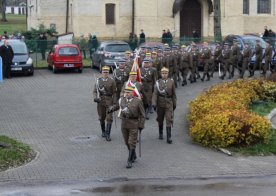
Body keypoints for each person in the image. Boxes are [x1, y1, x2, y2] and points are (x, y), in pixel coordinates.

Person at [113, 85, 145, 169]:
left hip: (134, 123)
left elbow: (142, 115)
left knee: (132, 142)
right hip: (124, 123)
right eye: (125, 92)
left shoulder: (138, 101)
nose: (126, 94)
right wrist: (111, 108)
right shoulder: (122, 100)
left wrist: (141, 125)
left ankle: (129, 161)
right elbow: (117, 106)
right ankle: (133, 155)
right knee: (126, 142)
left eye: (128, 92)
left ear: (132, 93)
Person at [152, 67, 177, 143]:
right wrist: (154, 103)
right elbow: (155, 94)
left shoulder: (171, 82)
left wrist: (174, 104)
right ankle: (161, 133)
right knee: (160, 119)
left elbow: (173, 94)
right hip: (160, 103)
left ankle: (169, 137)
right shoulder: (158, 82)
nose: (164, 75)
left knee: (169, 119)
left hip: (169, 103)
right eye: (163, 73)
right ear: (161, 74)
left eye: (166, 73)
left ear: (168, 74)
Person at [93, 66, 117, 141]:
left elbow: (115, 92)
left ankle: (108, 134)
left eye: (107, 72)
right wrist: (95, 98)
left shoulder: (112, 81)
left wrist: (115, 102)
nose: (105, 73)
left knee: (109, 118)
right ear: (102, 72)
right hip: (100, 102)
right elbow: (94, 91)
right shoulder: (98, 81)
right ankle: (103, 131)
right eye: (104, 72)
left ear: (108, 73)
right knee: (101, 118)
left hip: (109, 101)